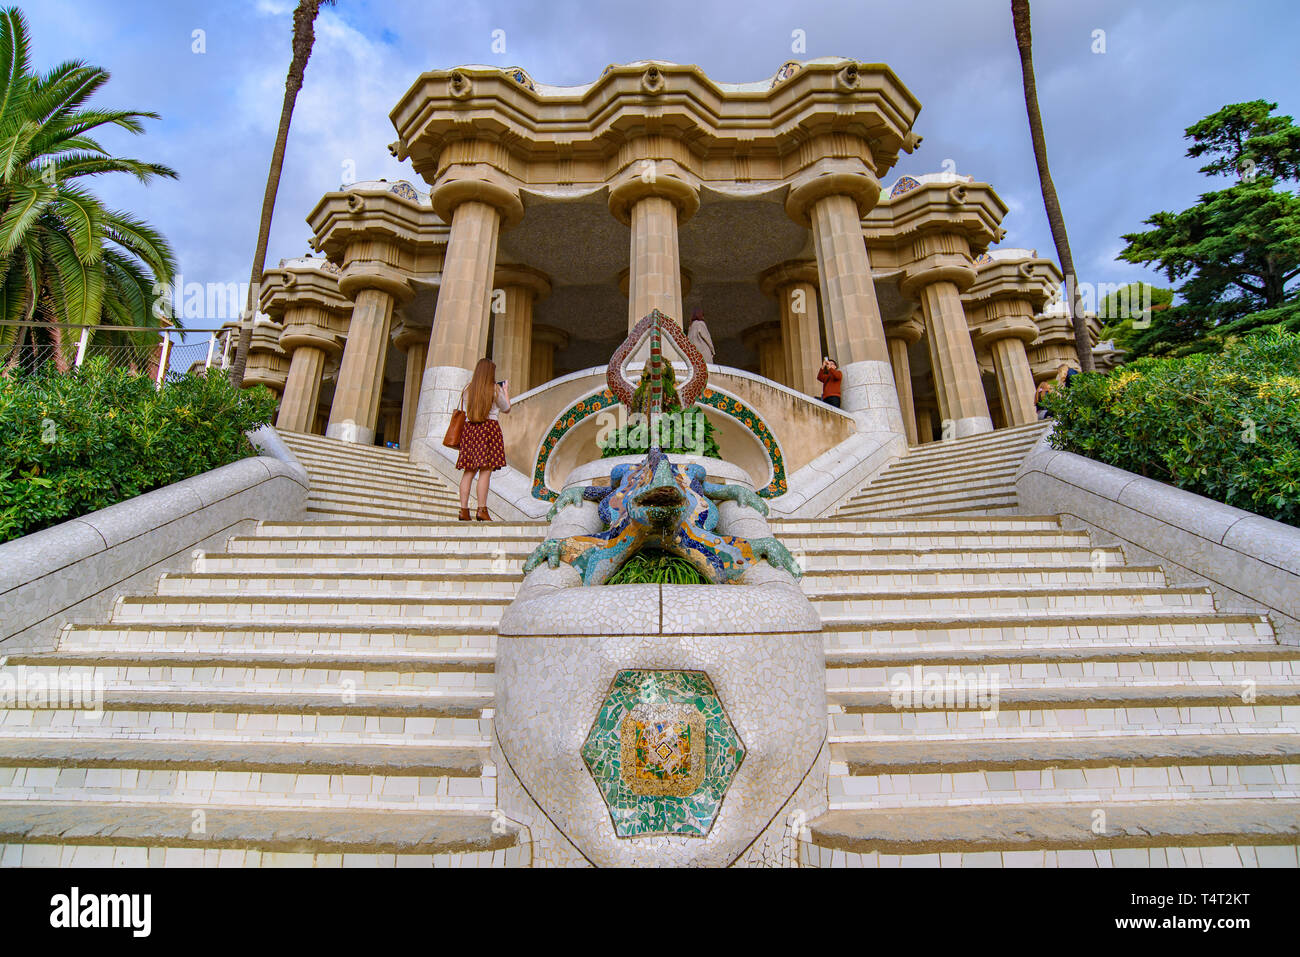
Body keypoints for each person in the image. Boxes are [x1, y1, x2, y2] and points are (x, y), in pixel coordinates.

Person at [456, 357, 510, 522]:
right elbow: (506, 408)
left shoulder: (467, 389)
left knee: (468, 472)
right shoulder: (494, 389)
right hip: (489, 430)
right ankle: (482, 510)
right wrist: (505, 390)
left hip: (470, 430)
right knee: (485, 472)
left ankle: (463, 511)